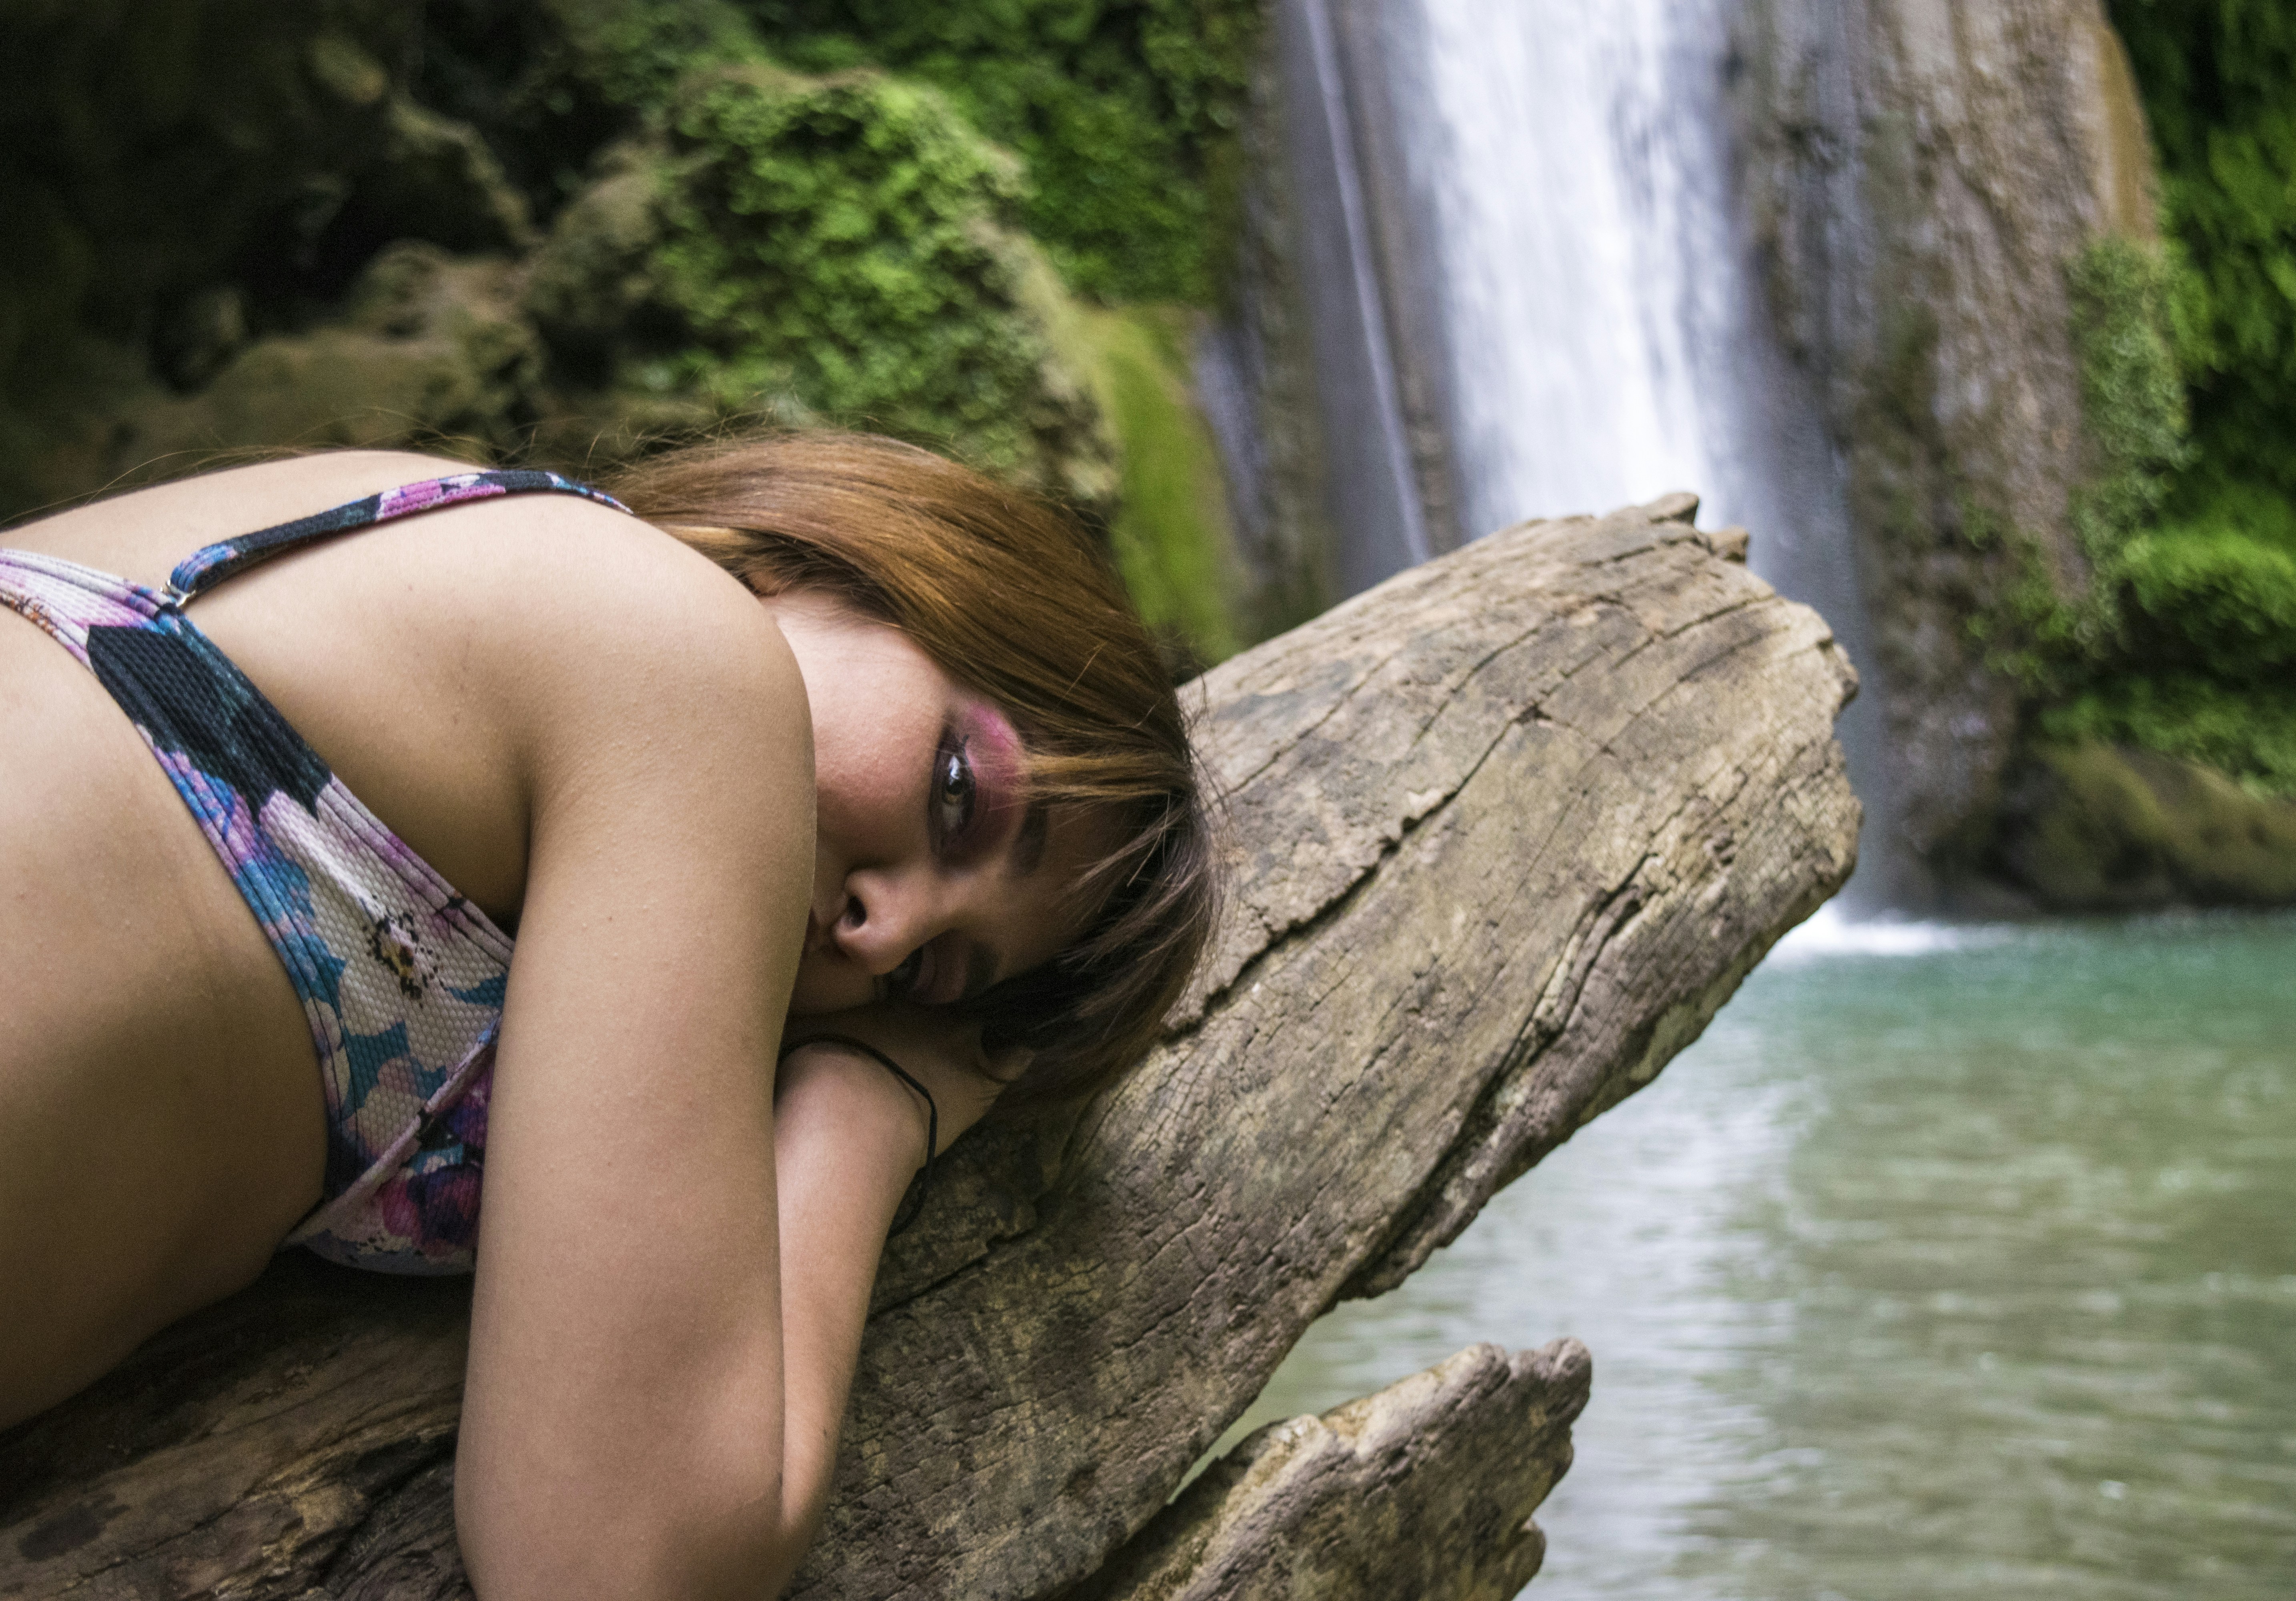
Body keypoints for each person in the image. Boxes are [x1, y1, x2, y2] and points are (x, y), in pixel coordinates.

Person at [0, 433, 1217, 1597]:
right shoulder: (676, 657)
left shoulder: (464, 559)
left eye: (934, 977)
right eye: (958, 792)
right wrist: (873, 1102)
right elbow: (613, 1568)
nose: (886, 932)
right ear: (840, 563)